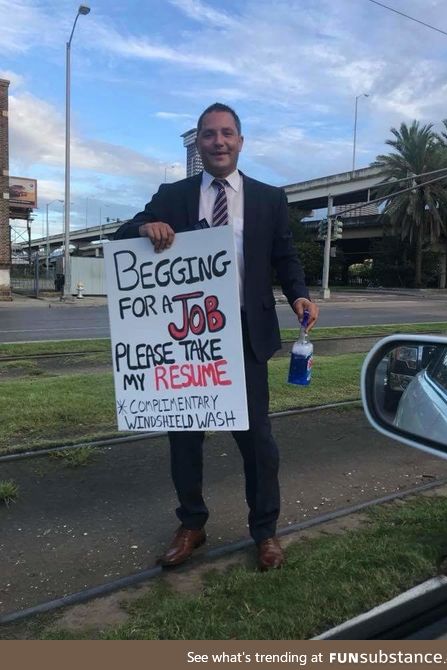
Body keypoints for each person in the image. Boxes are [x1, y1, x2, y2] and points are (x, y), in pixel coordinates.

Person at [114, 103, 319, 570]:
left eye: (227, 134)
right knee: (184, 437)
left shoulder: (269, 198)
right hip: (188, 339)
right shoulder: (174, 194)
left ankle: (265, 531)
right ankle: (192, 524)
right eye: (209, 135)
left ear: (241, 141)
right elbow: (125, 233)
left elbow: (285, 256)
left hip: (246, 336)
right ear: (199, 144)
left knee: (257, 441)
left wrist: (299, 296)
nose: (219, 142)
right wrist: (147, 227)